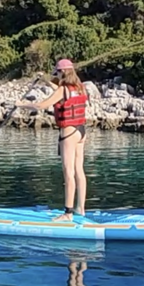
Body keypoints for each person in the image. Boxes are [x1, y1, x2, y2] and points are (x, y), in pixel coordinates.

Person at [17, 58, 88, 222]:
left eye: (57, 72)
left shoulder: (63, 89)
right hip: (81, 131)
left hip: (69, 132)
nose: (56, 75)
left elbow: (41, 105)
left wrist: (21, 105)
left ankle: (68, 213)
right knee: (79, 170)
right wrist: (47, 81)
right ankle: (81, 208)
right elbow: (61, 92)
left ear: (63, 72)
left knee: (68, 172)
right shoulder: (80, 87)